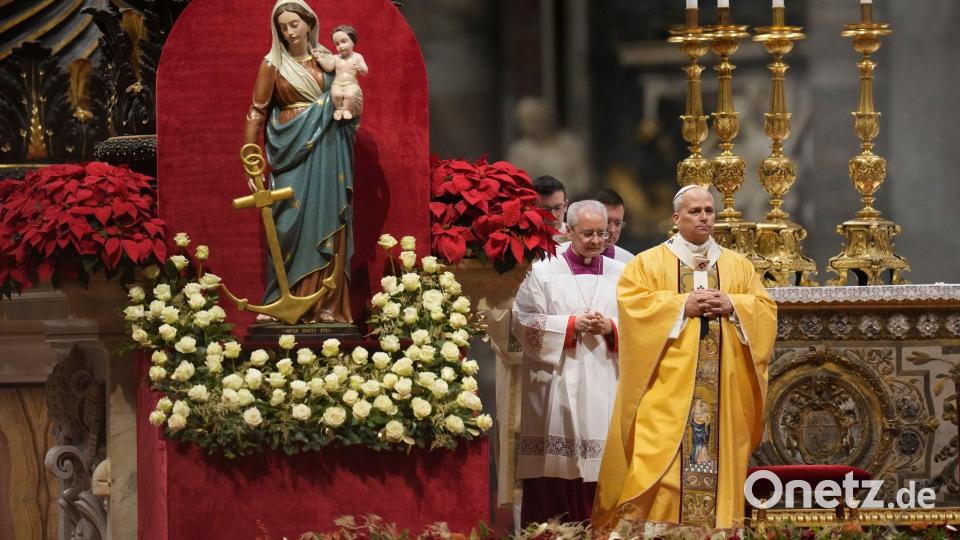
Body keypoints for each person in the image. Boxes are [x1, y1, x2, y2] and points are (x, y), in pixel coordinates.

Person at [592, 185, 777, 530]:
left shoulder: (738, 267)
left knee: (718, 463)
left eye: (709, 210)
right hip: (666, 392)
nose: (704, 217)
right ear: (676, 218)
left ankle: (719, 533)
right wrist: (681, 306)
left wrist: (734, 305)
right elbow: (633, 308)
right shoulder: (648, 264)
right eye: (695, 211)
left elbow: (765, 310)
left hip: (722, 393)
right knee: (659, 466)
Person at [244, 0, 359, 323]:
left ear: (309, 24)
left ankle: (327, 305)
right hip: (288, 149)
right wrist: (250, 156)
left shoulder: (327, 61)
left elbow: (349, 92)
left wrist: (349, 107)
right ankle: (283, 298)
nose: (289, 31)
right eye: (282, 27)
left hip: (328, 146)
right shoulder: (272, 64)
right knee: (286, 226)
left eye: (294, 24)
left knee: (328, 217)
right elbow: (257, 110)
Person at [511, 200, 625, 525]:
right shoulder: (543, 270)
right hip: (557, 383)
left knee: (604, 469)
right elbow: (522, 322)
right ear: (569, 230)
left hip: (607, 381)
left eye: (602, 233)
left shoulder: (624, 274)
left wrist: (611, 328)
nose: (596, 241)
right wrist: (570, 325)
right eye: (587, 233)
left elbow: (642, 324)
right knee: (557, 473)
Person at [559, 188, 634, 264]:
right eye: (607, 222)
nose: (613, 230)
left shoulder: (629, 262)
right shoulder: (554, 256)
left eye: (618, 223)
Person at [313, 24, 367, 121]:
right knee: (336, 95)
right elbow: (329, 68)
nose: (340, 46)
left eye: (343, 42)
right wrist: (319, 59)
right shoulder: (336, 58)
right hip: (337, 84)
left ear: (353, 42)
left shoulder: (357, 57)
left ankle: (346, 110)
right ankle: (338, 109)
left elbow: (365, 72)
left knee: (350, 95)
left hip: (351, 84)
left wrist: (361, 68)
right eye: (337, 44)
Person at [532, 175, 569, 242]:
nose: (553, 216)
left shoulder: (578, 239)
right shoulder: (520, 240)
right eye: (545, 210)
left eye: (557, 208)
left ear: (565, 206)